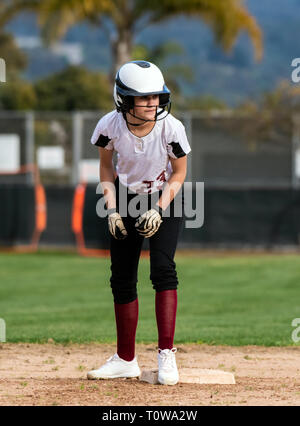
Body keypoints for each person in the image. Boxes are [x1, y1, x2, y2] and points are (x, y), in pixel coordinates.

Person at [87, 60, 191, 385]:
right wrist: (113, 210)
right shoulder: (110, 125)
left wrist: (158, 209)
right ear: (124, 100)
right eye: (143, 97)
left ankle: (166, 356)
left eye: (156, 96)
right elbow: (106, 169)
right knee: (121, 277)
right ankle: (125, 359)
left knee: (163, 271)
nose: (153, 103)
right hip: (125, 196)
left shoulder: (171, 127)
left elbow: (180, 172)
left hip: (164, 197)